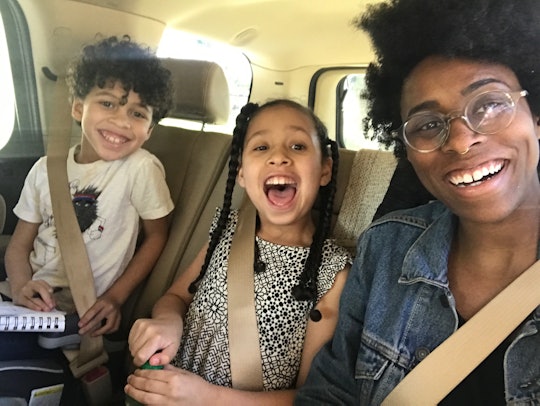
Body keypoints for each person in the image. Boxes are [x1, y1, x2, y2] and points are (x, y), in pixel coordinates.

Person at [296, 0, 540, 404]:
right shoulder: (385, 247)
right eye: (428, 124)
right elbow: (330, 392)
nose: (462, 141)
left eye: (490, 104)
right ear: (406, 150)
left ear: (535, 117)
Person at [125, 99, 352, 404]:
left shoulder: (332, 272)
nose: (279, 158)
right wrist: (168, 322)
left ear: (325, 169)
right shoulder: (228, 231)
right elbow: (176, 297)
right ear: (242, 173)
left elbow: (308, 398)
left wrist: (208, 398)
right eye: (261, 148)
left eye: (298, 146)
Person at [2, 35, 174, 359]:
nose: (121, 121)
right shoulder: (45, 169)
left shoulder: (140, 168)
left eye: (138, 114)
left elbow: (157, 236)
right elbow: (19, 246)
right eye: (108, 103)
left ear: (149, 130)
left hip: (78, 313)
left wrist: (115, 298)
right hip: (27, 300)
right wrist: (22, 285)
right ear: (79, 108)